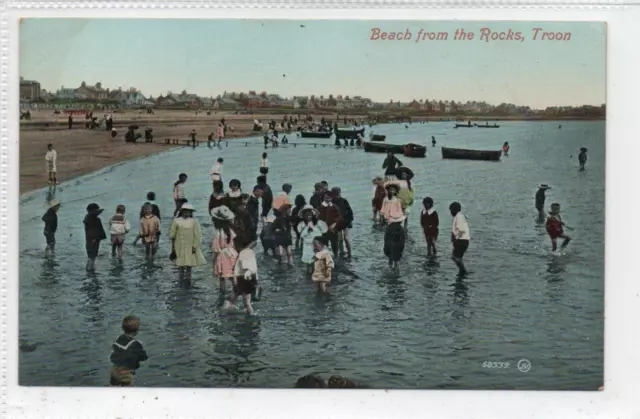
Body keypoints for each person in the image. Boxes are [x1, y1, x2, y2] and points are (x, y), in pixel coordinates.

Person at [169, 203, 206, 282]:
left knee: (189, 265)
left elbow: (198, 235)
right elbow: (173, 235)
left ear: (191, 213)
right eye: (185, 211)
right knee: (180, 265)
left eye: (188, 211)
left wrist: (194, 246)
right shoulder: (176, 221)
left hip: (190, 246)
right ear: (181, 211)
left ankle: (188, 281)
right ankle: (181, 281)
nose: (186, 213)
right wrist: (173, 248)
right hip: (179, 246)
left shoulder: (194, 222)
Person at [224, 235, 259, 314]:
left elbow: (246, 267)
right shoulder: (249, 251)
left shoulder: (243, 253)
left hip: (243, 279)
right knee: (233, 298)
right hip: (247, 279)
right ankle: (232, 310)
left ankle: (251, 315)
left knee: (246, 303)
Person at [109, 315, 148, 387]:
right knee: (128, 390)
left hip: (114, 370)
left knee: (114, 388)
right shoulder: (135, 344)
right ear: (137, 331)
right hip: (126, 372)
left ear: (123, 328)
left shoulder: (118, 339)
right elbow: (144, 357)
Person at [211, 205, 238, 292]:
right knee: (232, 275)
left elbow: (216, 249)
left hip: (223, 256)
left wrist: (213, 261)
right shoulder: (231, 231)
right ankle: (236, 291)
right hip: (233, 254)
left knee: (222, 277)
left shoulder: (218, 233)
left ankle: (222, 293)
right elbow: (235, 244)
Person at [380, 184, 406, 270]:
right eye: (390, 189)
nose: (392, 191)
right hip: (389, 225)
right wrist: (383, 220)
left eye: (393, 190)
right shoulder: (385, 200)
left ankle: (396, 263)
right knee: (388, 244)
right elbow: (383, 211)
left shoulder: (399, 200)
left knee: (398, 245)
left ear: (396, 191)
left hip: (397, 225)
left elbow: (403, 211)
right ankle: (390, 260)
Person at [297, 205, 328, 275]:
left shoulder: (318, 223)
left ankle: (316, 275)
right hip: (308, 245)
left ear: (313, 215)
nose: (309, 217)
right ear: (304, 216)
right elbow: (301, 235)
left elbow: (323, 231)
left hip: (316, 244)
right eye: (307, 215)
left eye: (310, 215)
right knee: (309, 263)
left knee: (317, 261)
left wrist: (313, 229)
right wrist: (307, 229)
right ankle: (309, 276)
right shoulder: (302, 224)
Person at [331, 187, 354, 259]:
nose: (336, 196)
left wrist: (350, 221)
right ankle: (342, 253)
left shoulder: (344, 201)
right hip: (337, 223)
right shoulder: (331, 202)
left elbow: (350, 212)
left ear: (339, 193)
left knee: (346, 238)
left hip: (345, 222)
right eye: (334, 194)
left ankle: (350, 254)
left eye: (337, 194)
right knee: (339, 239)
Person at [317, 192, 342, 256]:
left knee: (334, 244)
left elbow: (339, 217)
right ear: (323, 198)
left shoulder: (334, 207)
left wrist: (334, 224)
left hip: (333, 229)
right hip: (324, 230)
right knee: (325, 245)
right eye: (326, 198)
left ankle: (335, 256)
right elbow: (318, 218)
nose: (328, 199)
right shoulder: (320, 207)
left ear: (331, 198)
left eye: (329, 198)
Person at [84, 203, 107, 271]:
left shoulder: (88, 218)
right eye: (97, 210)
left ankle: (90, 268)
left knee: (91, 256)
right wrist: (94, 238)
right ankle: (90, 269)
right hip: (93, 240)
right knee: (92, 256)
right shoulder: (94, 220)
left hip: (91, 240)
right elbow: (93, 230)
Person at [449, 202, 470, 276]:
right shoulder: (458, 217)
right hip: (461, 241)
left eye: (451, 210)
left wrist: (456, 238)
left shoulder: (459, 217)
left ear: (455, 210)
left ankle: (463, 271)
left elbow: (461, 230)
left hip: (462, 241)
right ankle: (462, 271)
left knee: (455, 257)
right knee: (456, 257)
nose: (450, 212)